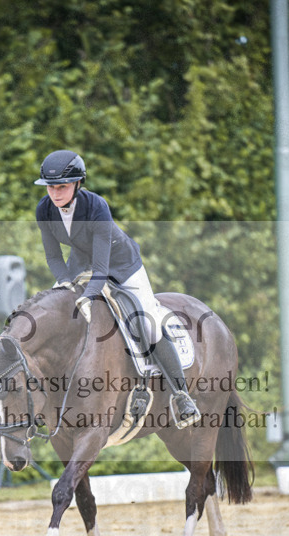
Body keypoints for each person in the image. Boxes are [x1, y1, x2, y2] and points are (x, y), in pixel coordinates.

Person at [33, 149, 201, 429]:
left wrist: (88, 296)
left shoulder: (96, 207)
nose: (55, 193)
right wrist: (63, 282)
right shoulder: (44, 209)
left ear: (77, 184)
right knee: (55, 312)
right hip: (79, 265)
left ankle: (181, 395)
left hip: (121, 265)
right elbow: (53, 256)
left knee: (147, 322)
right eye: (51, 187)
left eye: (62, 186)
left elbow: (102, 267)